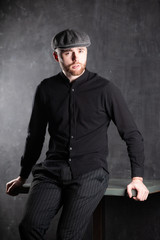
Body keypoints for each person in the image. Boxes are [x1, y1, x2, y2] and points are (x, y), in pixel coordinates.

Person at [6, 29, 149, 240]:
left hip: (90, 173)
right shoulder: (46, 89)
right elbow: (34, 137)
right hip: (51, 173)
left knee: (67, 235)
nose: (76, 58)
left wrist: (137, 178)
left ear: (86, 53)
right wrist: (23, 176)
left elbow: (132, 135)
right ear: (57, 56)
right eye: (68, 52)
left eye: (81, 51)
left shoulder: (106, 89)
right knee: (29, 228)